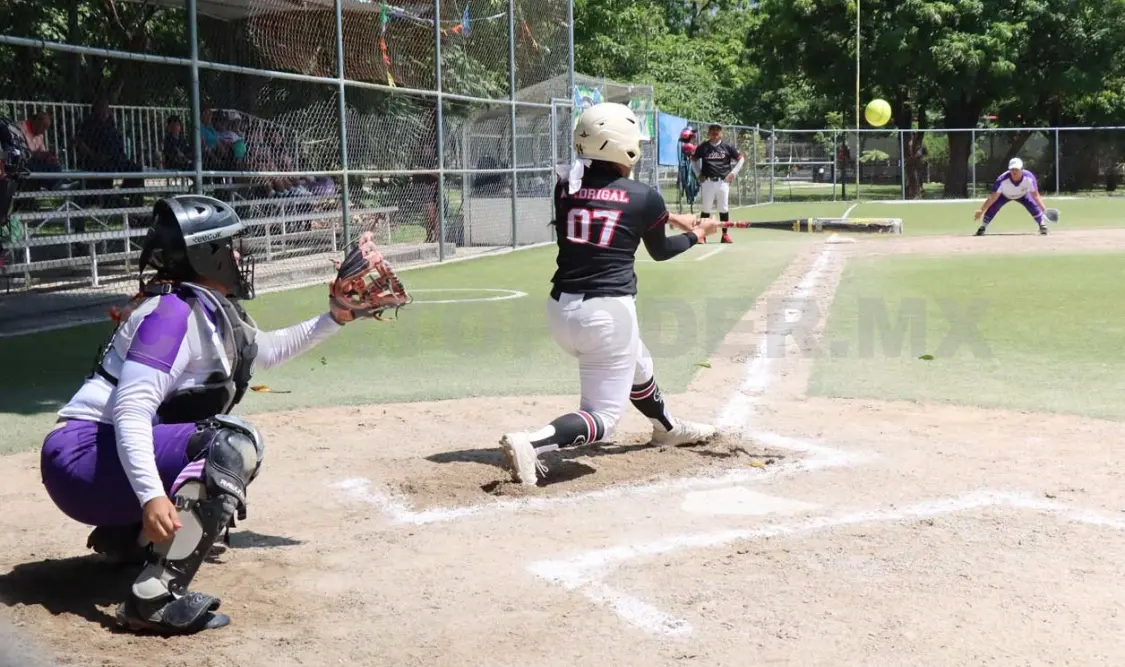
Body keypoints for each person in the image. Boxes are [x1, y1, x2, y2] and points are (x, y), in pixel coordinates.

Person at [38, 194, 391, 635]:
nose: (239, 255)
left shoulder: (202, 308)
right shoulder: (170, 314)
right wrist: (150, 497)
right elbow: (130, 409)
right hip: (83, 458)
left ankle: (128, 542)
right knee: (230, 444)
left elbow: (265, 351)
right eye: (230, 246)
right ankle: (153, 598)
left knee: (216, 434)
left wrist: (337, 316)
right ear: (206, 255)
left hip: (100, 460)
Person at [498, 102, 720, 486]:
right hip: (606, 316)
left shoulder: (566, 185)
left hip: (561, 310)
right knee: (603, 418)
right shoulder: (644, 196)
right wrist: (695, 234)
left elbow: (611, 204)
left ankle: (666, 427)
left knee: (639, 361)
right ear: (624, 146)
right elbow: (660, 249)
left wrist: (672, 217)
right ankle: (533, 442)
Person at [690, 124, 743, 244]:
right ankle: (702, 235)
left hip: (723, 182)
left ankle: (725, 235)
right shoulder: (704, 147)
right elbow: (693, 160)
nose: (715, 133)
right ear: (709, 133)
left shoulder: (727, 147)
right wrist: (698, 173)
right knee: (706, 209)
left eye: (717, 131)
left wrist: (733, 173)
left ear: (721, 133)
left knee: (723, 209)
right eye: (712, 130)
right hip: (708, 181)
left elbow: (741, 159)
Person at [973, 157, 1049, 236]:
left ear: (1022, 169)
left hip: (1023, 195)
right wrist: (981, 210)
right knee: (994, 206)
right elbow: (993, 197)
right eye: (1012, 169)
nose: (1014, 172)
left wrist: (1044, 209)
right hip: (1005, 195)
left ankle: (1042, 225)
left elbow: (1036, 196)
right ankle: (983, 227)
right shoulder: (1002, 180)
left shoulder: (1029, 178)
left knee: (1033, 205)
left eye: (1017, 169)